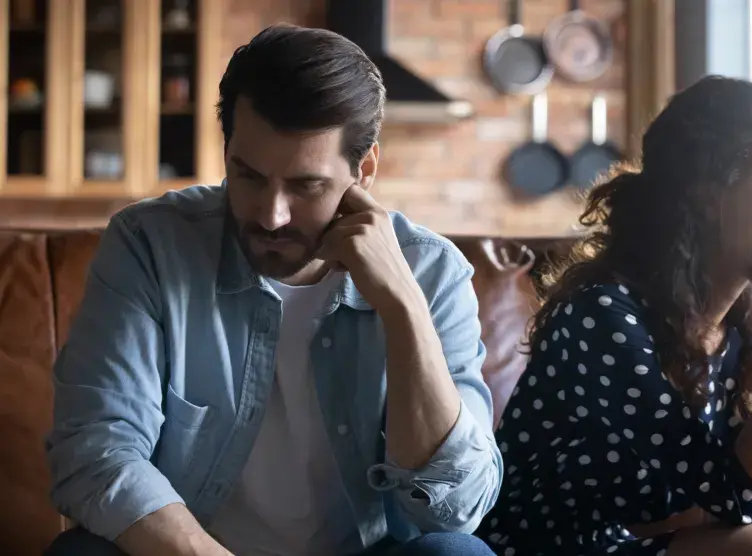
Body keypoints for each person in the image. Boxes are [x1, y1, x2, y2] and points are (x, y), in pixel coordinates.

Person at [45, 25, 500, 556]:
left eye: (306, 185)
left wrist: (402, 308)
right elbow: (98, 447)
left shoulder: (432, 272)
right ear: (227, 149)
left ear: (364, 169)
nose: (271, 214)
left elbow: (456, 509)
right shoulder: (151, 244)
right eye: (249, 176)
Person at [475, 75, 752, 555]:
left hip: (627, 546)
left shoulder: (734, 326)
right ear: (706, 193)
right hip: (544, 549)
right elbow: (743, 504)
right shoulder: (602, 316)